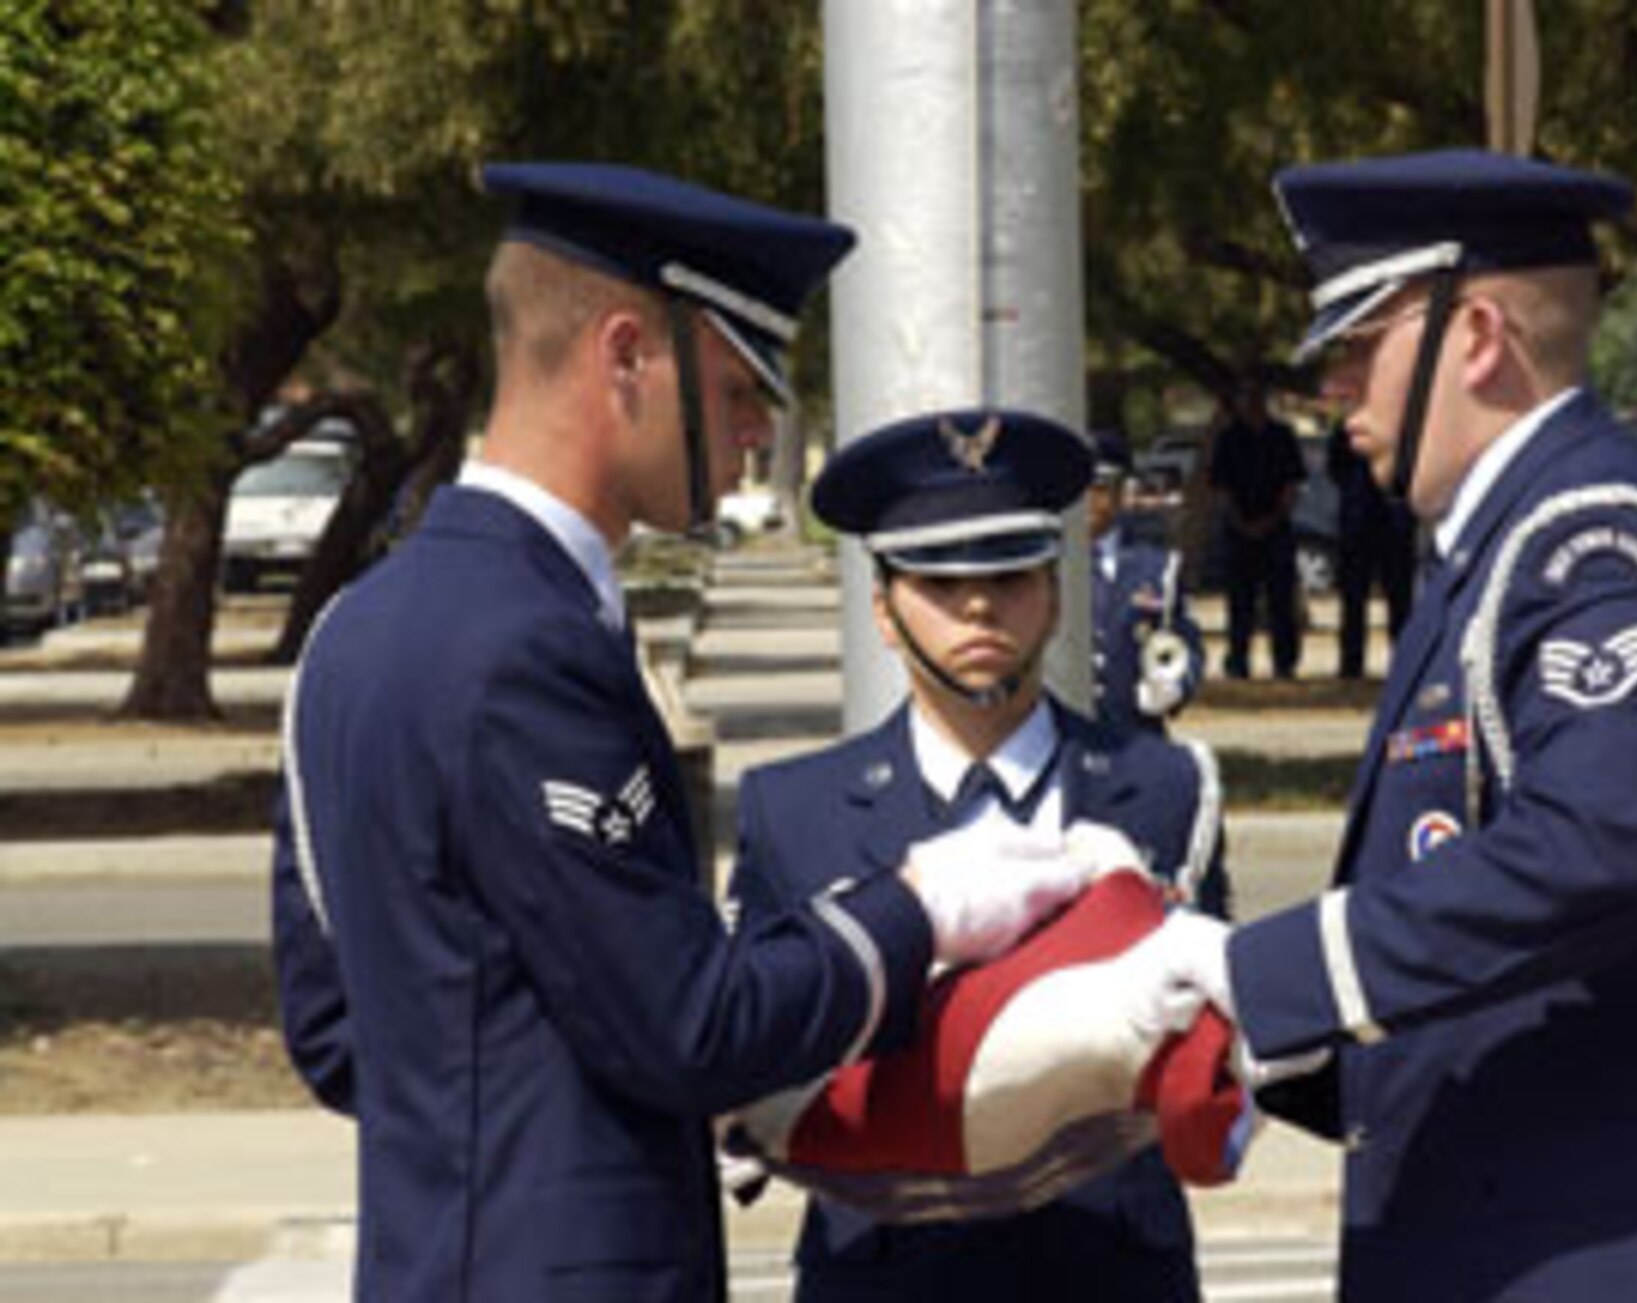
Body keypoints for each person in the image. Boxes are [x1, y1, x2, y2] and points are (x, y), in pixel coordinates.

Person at [268, 164, 1095, 1303]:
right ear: (624, 357)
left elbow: (334, 1031)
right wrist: (921, 902)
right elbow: (690, 1025)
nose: (759, 428)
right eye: (737, 381)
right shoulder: (529, 646)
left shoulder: (351, 631)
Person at [1154, 150, 1637, 1299]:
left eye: (1355, 346)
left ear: (1474, 336)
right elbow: (1475, 954)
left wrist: (1258, 972)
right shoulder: (1502, 551)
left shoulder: (1593, 547)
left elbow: (1592, 852)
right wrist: (1245, 1048)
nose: (1336, 393)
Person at [728, 407, 1231, 1303]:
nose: (978, 604)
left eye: (1010, 573)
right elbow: (748, 1047)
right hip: (884, 1269)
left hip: (1111, 1265)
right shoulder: (792, 809)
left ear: (1056, 591)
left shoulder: (1166, 788)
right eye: (936, 579)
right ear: (883, 610)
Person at [1087, 430, 1206, 732]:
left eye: (1099, 487)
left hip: (1135, 735)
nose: (1087, 500)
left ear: (1121, 492)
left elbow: (1183, 643)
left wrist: (1174, 684)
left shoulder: (1156, 568)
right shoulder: (1044, 565)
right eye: (1076, 489)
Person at [1206, 381, 1306, 679]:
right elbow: (1219, 486)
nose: (1250, 403)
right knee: (1240, 602)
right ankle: (1238, 661)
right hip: (1238, 530)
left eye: (1255, 397)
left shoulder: (1282, 435)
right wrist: (1240, 522)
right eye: (1244, 398)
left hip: (1276, 529)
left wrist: (1272, 519)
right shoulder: (1229, 438)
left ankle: (1284, 662)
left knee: (1281, 600)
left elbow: (1293, 483)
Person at [1324, 415, 1416, 678]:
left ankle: (1403, 664)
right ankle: (1351, 664)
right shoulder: (1347, 426)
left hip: (1394, 521)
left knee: (1400, 599)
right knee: (1353, 600)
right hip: (1357, 521)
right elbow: (1336, 470)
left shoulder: (1402, 425)